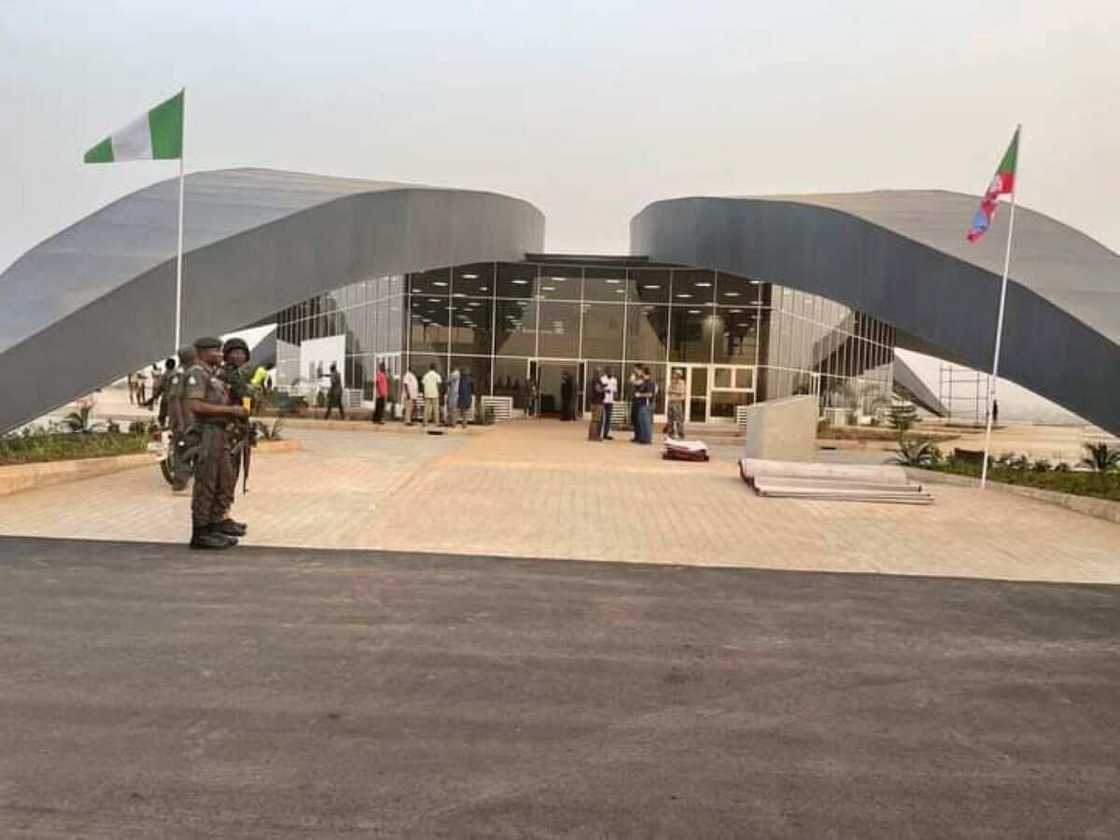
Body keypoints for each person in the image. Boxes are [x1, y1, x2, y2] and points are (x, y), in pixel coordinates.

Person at [183, 337, 248, 550]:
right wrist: (230, 411)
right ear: (203, 352)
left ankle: (215, 524)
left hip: (220, 433)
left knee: (224, 480)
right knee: (207, 483)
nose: (221, 355)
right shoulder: (196, 374)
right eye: (217, 351)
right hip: (207, 434)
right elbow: (196, 406)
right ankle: (200, 533)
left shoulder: (211, 376)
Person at [165, 346, 196, 491]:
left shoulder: (189, 373)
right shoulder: (179, 374)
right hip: (183, 419)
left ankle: (187, 477)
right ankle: (179, 481)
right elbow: (175, 400)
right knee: (182, 449)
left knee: (190, 448)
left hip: (190, 418)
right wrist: (180, 423)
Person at [633, 366, 656, 444]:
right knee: (641, 422)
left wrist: (640, 395)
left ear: (647, 374)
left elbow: (649, 394)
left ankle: (647, 439)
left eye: (643, 373)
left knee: (646, 423)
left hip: (647, 405)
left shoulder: (650, 382)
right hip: (642, 404)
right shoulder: (644, 382)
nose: (641, 375)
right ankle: (643, 438)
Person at [667, 369, 686, 439]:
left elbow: (680, 392)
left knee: (679, 419)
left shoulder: (682, 382)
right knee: (670, 419)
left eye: (675, 374)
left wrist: (673, 391)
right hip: (671, 402)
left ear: (679, 375)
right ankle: (670, 434)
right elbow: (668, 391)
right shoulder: (672, 382)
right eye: (673, 374)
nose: (673, 375)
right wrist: (673, 391)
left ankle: (681, 434)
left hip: (677, 402)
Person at [421, 363, 442, 427]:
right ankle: (437, 423)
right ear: (435, 368)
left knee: (426, 408)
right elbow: (439, 384)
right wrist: (439, 392)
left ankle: (425, 422)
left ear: (429, 368)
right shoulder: (436, 375)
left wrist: (424, 392)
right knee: (435, 409)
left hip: (427, 393)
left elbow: (423, 384)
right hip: (434, 393)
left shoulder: (425, 375)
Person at [587, 366, 605, 441]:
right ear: (598, 373)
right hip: (597, 402)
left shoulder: (592, 380)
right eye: (600, 372)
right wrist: (604, 390)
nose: (601, 373)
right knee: (596, 420)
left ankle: (590, 435)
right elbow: (598, 390)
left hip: (593, 402)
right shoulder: (597, 380)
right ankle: (594, 436)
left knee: (593, 419)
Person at [601, 368, 617, 440]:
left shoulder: (614, 380)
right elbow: (599, 388)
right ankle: (599, 433)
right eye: (609, 371)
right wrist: (605, 390)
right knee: (601, 418)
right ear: (606, 372)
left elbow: (615, 390)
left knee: (608, 418)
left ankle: (605, 434)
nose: (611, 373)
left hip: (610, 401)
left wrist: (615, 397)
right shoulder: (602, 379)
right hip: (603, 401)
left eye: (612, 372)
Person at [628, 364, 643, 440]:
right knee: (634, 418)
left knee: (638, 419)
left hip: (639, 401)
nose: (634, 370)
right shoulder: (636, 376)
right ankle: (636, 436)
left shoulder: (642, 377)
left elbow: (637, 383)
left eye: (635, 369)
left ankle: (639, 436)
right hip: (635, 399)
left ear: (638, 369)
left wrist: (633, 380)